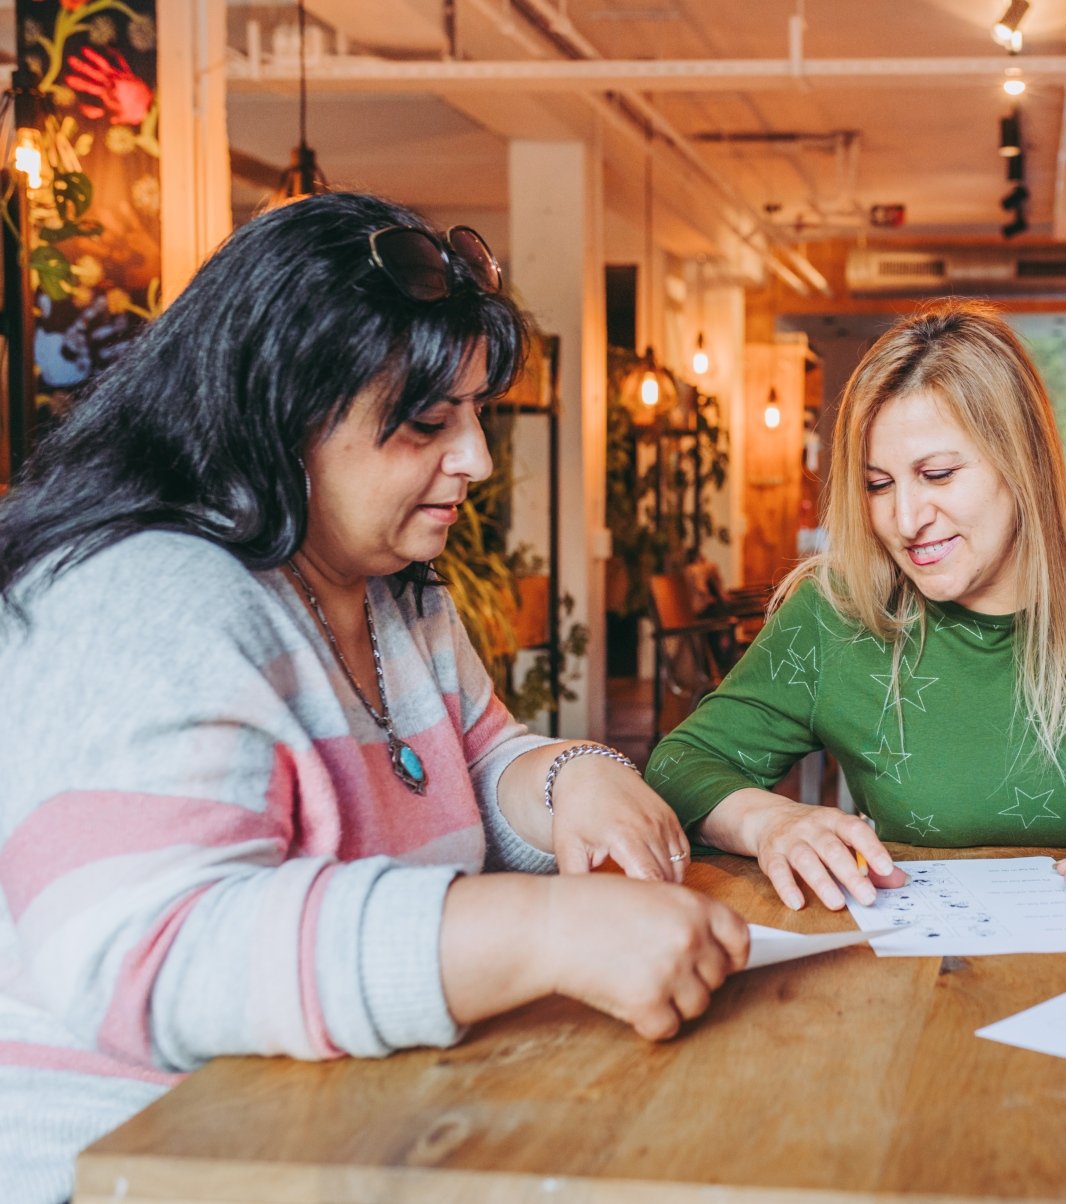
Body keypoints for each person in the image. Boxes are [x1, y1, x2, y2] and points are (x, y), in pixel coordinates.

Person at [0, 193, 747, 1204]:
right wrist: (542, 929)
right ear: (283, 411)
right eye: (428, 424)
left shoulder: (389, 590)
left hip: (342, 1134)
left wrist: (572, 778)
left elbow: (478, 760)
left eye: (476, 414)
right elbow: (159, 948)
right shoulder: (143, 593)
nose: (476, 459)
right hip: (138, 1169)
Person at [647, 300, 1066, 912]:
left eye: (938, 474)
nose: (907, 519)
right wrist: (774, 822)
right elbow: (682, 767)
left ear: (1021, 459)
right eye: (878, 485)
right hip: (923, 986)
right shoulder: (838, 610)